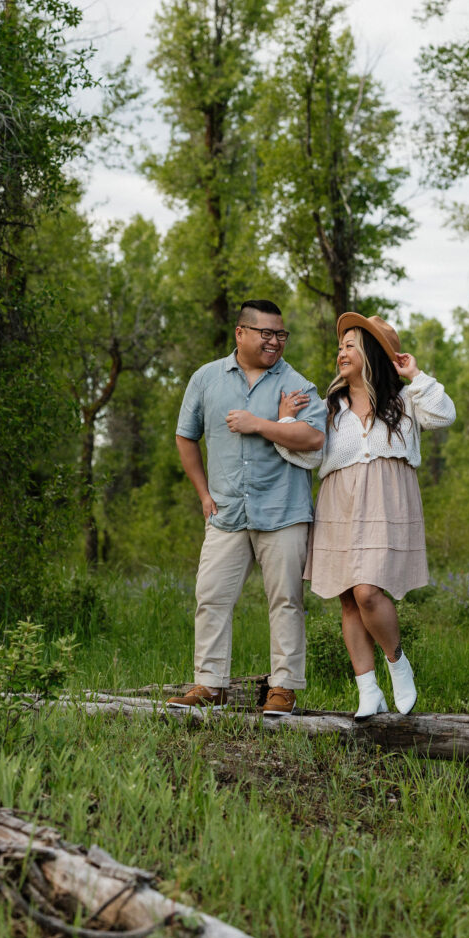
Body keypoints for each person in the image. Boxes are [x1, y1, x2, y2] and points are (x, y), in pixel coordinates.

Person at [276, 314, 455, 720]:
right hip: (339, 504)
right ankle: (368, 690)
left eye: (351, 345)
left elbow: (445, 415)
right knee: (349, 599)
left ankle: (397, 663)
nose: (341, 352)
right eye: (340, 346)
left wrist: (415, 374)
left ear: (373, 352)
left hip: (387, 504)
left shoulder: (406, 403)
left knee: (368, 592)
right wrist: (287, 420)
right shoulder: (330, 407)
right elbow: (304, 452)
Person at [167, 299, 326, 715]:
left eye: (281, 335)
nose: (275, 342)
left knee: (286, 599)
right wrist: (203, 494)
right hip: (226, 513)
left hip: (283, 510)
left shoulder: (296, 385)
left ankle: (284, 688)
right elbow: (186, 437)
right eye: (266, 334)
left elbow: (313, 438)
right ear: (241, 333)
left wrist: (260, 424)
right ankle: (210, 684)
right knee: (211, 596)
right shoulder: (206, 379)